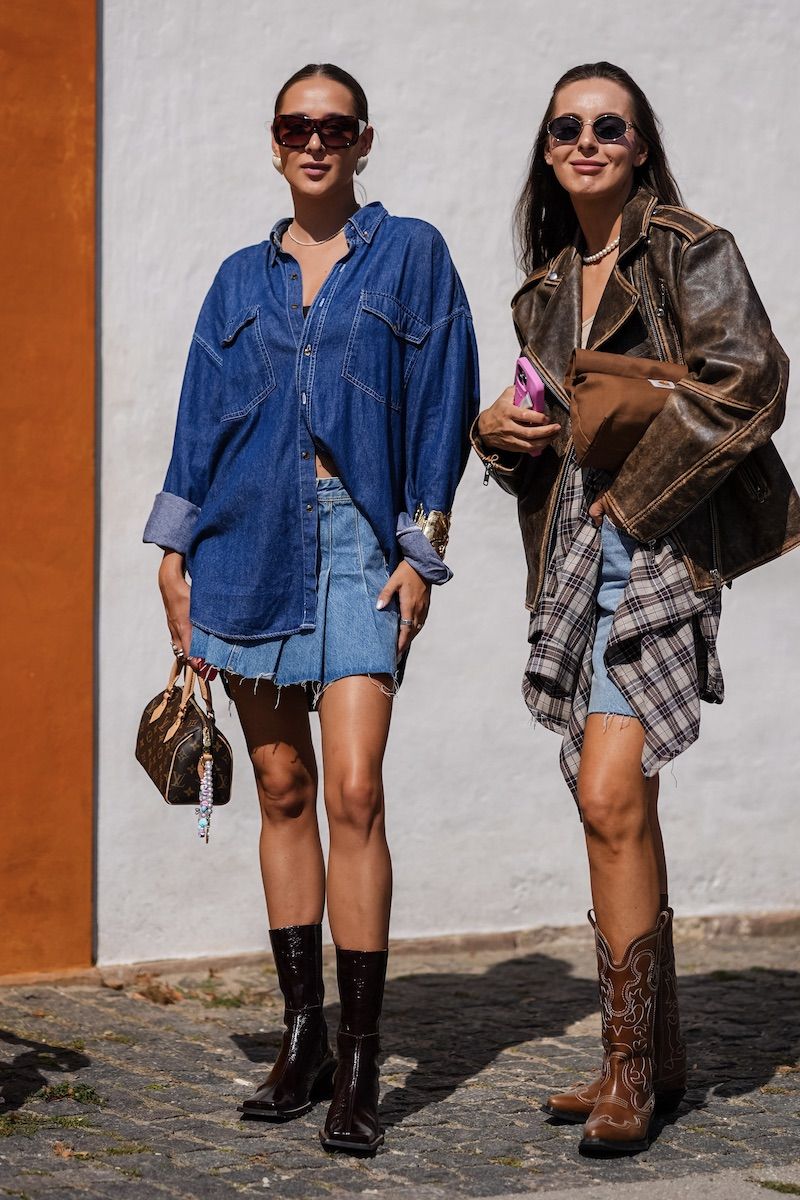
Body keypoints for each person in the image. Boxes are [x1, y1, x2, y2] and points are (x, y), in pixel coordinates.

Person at [143, 62, 478, 1154]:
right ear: (275, 140)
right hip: (245, 546)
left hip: (357, 546)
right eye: (296, 126)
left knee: (354, 790)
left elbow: (443, 402)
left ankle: (365, 1055)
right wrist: (173, 551)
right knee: (281, 790)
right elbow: (200, 418)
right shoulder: (237, 280)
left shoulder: (412, 254)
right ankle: (305, 1039)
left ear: (363, 139)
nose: (315, 141)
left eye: (335, 126)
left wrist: (422, 546)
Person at [472, 61, 798, 1156]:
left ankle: (628, 1072)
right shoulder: (545, 289)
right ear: (547, 149)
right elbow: (548, 434)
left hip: (658, 545)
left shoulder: (688, 250)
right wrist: (496, 435)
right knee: (614, 803)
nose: (586, 140)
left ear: (639, 145)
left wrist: (637, 496)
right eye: (566, 125)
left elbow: (750, 379)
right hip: (574, 551)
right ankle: (654, 1050)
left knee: (609, 792)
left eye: (608, 126)